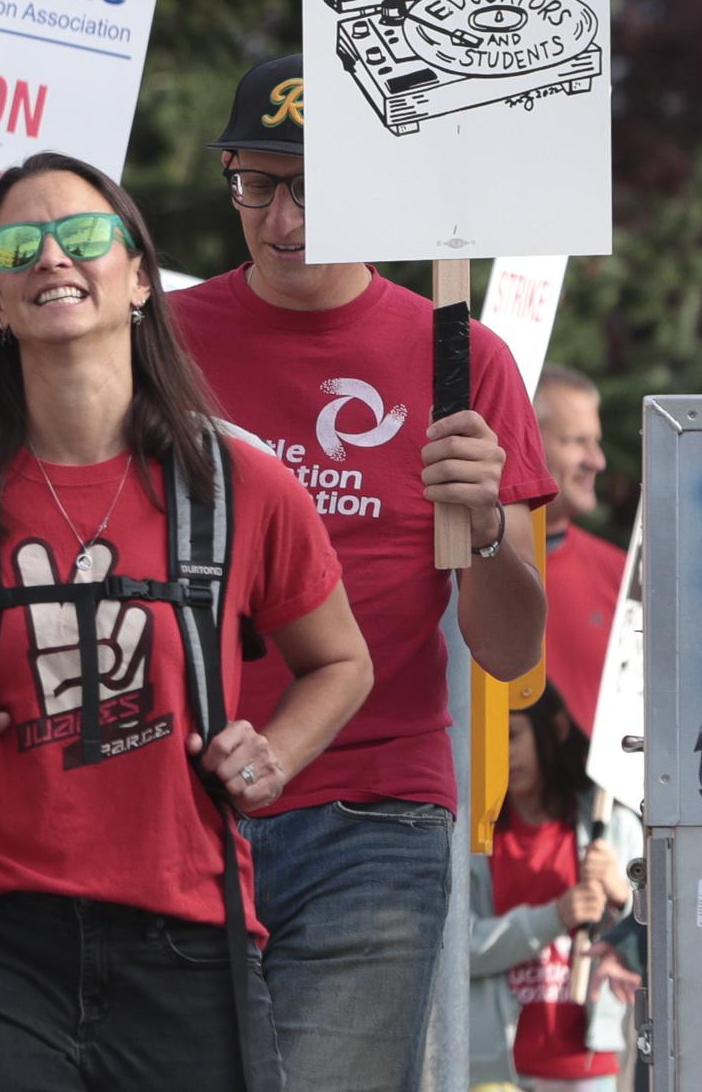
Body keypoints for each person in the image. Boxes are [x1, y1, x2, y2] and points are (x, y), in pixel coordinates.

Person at [0, 151, 374, 1092]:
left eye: (85, 236)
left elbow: (340, 661)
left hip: (185, 932)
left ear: (141, 276)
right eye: (17, 245)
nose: (51, 257)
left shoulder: (239, 486)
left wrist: (277, 754)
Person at [168, 55, 555, 1088]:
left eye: (318, 188)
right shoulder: (157, 345)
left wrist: (478, 525)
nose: (286, 219)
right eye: (259, 184)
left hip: (373, 814)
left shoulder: (460, 358)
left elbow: (512, 645)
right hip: (180, 798)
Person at [467, 693, 639, 1092]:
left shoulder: (613, 827)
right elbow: (457, 951)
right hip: (493, 1072)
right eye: (488, 739)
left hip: (587, 1066)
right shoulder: (472, 841)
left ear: (557, 729)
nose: (502, 754)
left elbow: (663, 945)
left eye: (511, 735)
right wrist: (554, 917)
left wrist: (623, 896)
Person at [534, 366, 625, 735]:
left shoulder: (622, 573)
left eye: (596, 441)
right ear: (521, 435)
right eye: (576, 440)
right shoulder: (455, 567)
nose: (597, 461)